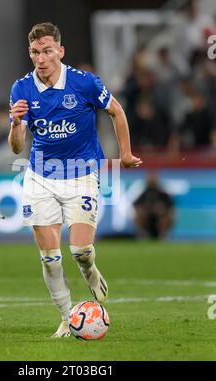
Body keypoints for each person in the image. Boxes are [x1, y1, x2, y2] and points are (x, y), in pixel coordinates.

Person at [8, 22, 142, 337]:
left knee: (80, 251)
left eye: (47, 51)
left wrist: (124, 153)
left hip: (82, 176)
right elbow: (16, 147)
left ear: (60, 51)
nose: (41, 58)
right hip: (40, 177)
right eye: (35, 52)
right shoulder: (22, 89)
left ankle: (91, 272)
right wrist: (15, 123)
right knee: (50, 257)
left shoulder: (84, 83)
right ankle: (69, 319)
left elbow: (117, 111)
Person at [133, 172, 174, 240]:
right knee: (139, 214)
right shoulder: (144, 193)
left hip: (159, 220)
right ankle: (143, 234)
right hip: (147, 220)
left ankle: (163, 235)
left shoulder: (162, 193)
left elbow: (170, 207)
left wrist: (162, 210)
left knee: (167, 217)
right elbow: (136, 205)